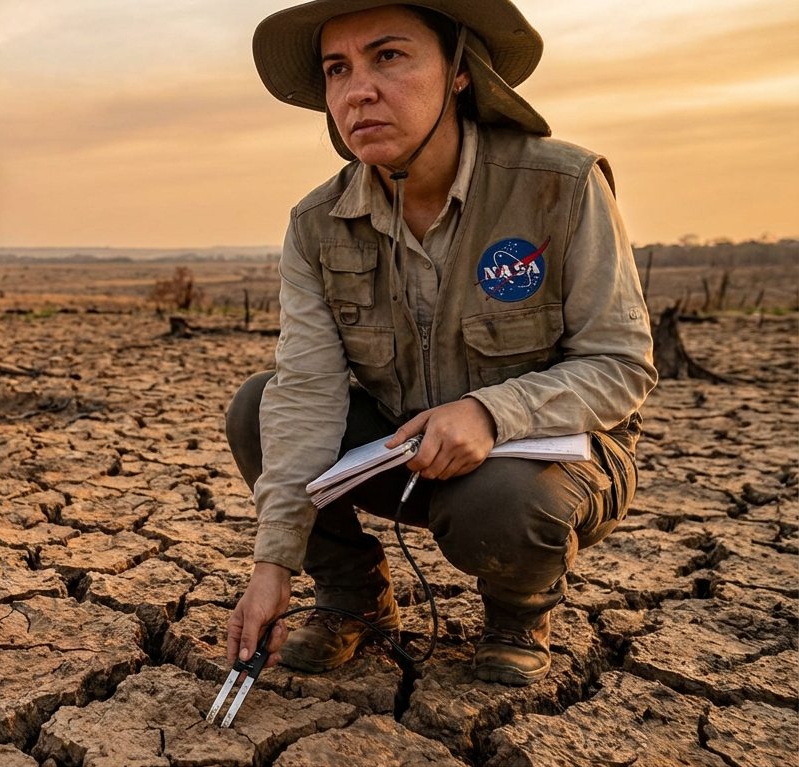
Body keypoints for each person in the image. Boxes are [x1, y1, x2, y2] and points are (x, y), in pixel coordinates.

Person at [224, 0, 655, 686]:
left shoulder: (561, 186)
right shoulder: (316, 224)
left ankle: (518, 614)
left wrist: (490, 413)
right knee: (259, 407)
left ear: (459, 71)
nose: (358, 90)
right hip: (409, 453)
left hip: (547, 462)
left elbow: (621, 365)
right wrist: (272, 565)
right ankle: (354, 599)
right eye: (338, 69)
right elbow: (306, 393)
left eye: (388, 57)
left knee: (498, 500)